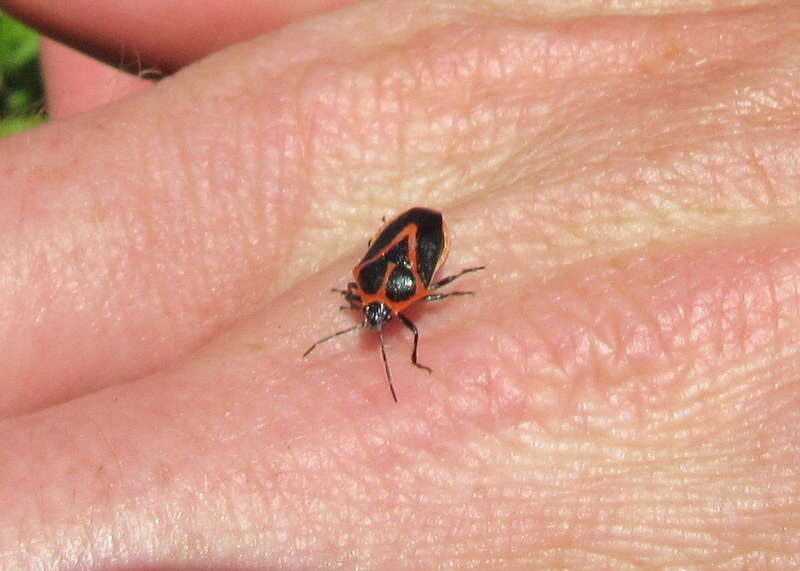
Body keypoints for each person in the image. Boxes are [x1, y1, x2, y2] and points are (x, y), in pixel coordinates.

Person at [0, 0, 797, 568]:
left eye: (383, 311)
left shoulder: (402, 292)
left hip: (418, 236)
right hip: (413, 238)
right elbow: (380, 275)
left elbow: (405, 271)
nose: (376, 316)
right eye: (377, 311)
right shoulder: (378, 288)